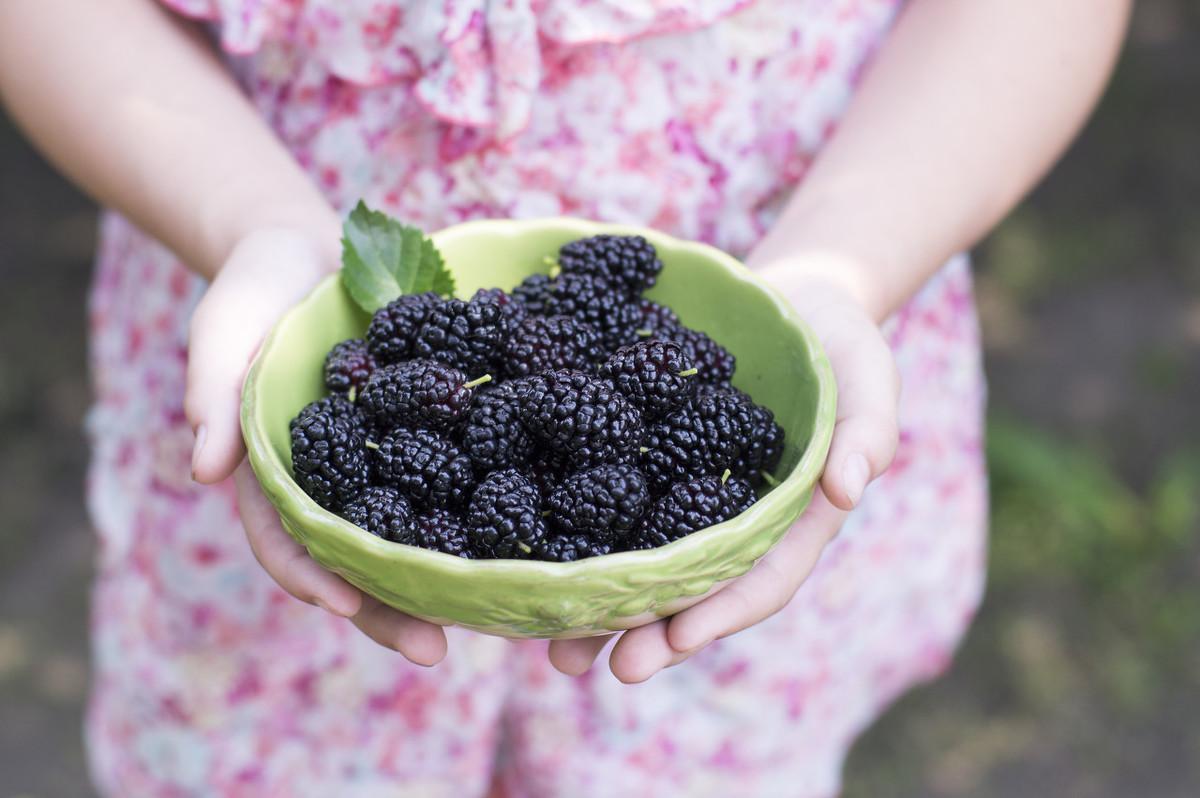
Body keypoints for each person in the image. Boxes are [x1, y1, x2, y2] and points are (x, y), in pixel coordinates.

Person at [0, 1, 1129, 795]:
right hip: (248, 291)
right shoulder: (419, 390)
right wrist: (255, 227)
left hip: (820, 229)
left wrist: (841, 270)